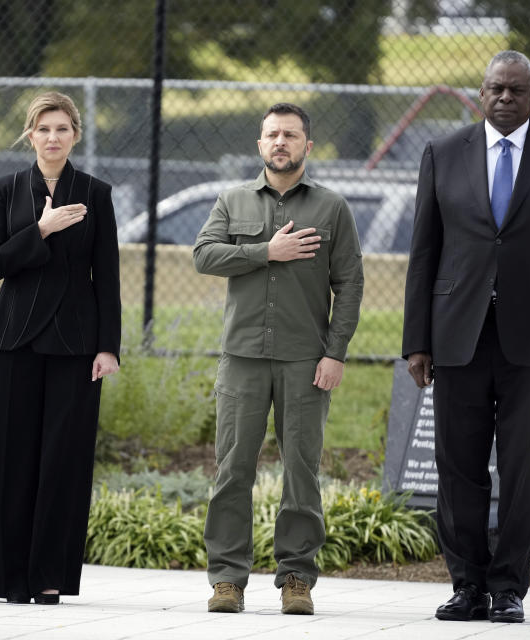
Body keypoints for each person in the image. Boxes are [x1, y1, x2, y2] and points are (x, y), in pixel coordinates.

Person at [402, 50, 530, 624]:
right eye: (496, 89)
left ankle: (509, 587)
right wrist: (417, 339)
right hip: (457, 337)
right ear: (480, 93)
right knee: (457, 465)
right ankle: (466, 585)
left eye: (517, 90)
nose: (506, 98)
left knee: (522, 467)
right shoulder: (444, 153)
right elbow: (424, 252)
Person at [194, 103, 364, 615]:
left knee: (301, 472)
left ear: (308, 146)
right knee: (232, 470)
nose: (280, 142)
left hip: (305, 362)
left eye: (290, 135)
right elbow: (204, 255)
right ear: (259, 144)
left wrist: (334, 354)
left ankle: (296, 578)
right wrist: (264, 252)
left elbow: (350, 285)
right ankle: (227, 580)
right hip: (242, 358)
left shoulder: (332, 208)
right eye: (272, 135)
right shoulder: (232, 199)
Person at [0, 91, 121, 605]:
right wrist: (41, 228)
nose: (53, 137)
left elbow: (107, 274)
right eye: (43, 129)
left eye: (62, 128)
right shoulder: (7, 188)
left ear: (75, 135)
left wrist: (109, 347)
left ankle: (49, 576)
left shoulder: (96, 192)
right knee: (11, 456)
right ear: (29, 135)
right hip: (14, 336)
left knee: (64, 458)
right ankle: (8, 577)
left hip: (76, 342)